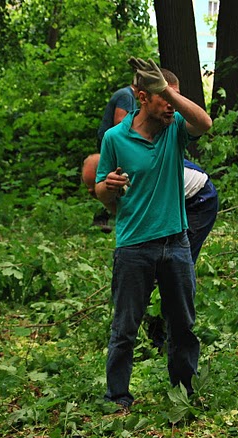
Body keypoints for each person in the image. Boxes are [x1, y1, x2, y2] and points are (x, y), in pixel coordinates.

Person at [95, 58, 212, 409]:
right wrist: (108, 186)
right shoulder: (115, 138)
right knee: (124, 327)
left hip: (175, 241)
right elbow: (101, 190)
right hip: (133, 245)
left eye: (174, 98)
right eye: (162, 97)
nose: (170, 105)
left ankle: (183, 392)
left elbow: (204, 123)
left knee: (183, 326)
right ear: (142, 98)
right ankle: (118, 396)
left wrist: (169, 93)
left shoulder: (174, 127)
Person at [86, 79, 138, 233]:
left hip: (110, 143)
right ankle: (104, 217)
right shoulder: (126, 96)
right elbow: (120, 121)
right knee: (111, 180)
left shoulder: (125, 94)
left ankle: (108, 216)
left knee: (113, 181)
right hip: (114, 146)